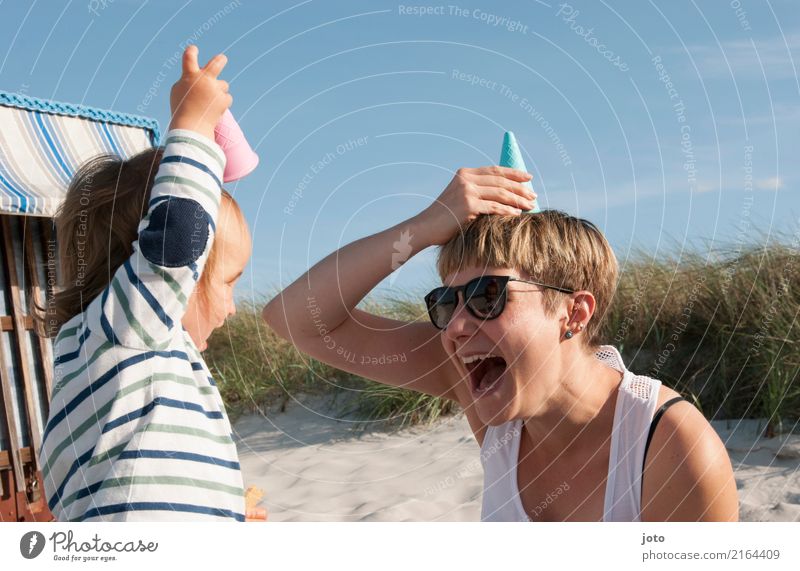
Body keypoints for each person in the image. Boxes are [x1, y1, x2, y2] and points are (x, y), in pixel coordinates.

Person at [262, 166, 739, 521]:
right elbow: (294, 318)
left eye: (487, 296)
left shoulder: (669, 445)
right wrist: (426, 226)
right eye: (446, 303)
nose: (455, 328)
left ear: (573, 313)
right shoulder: (490, 394)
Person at [37, 45, 252, 521]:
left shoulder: (103, 359)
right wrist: (193, 128)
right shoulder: (129, 329)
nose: (232, 307)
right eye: (228, 282)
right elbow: (177, 242)